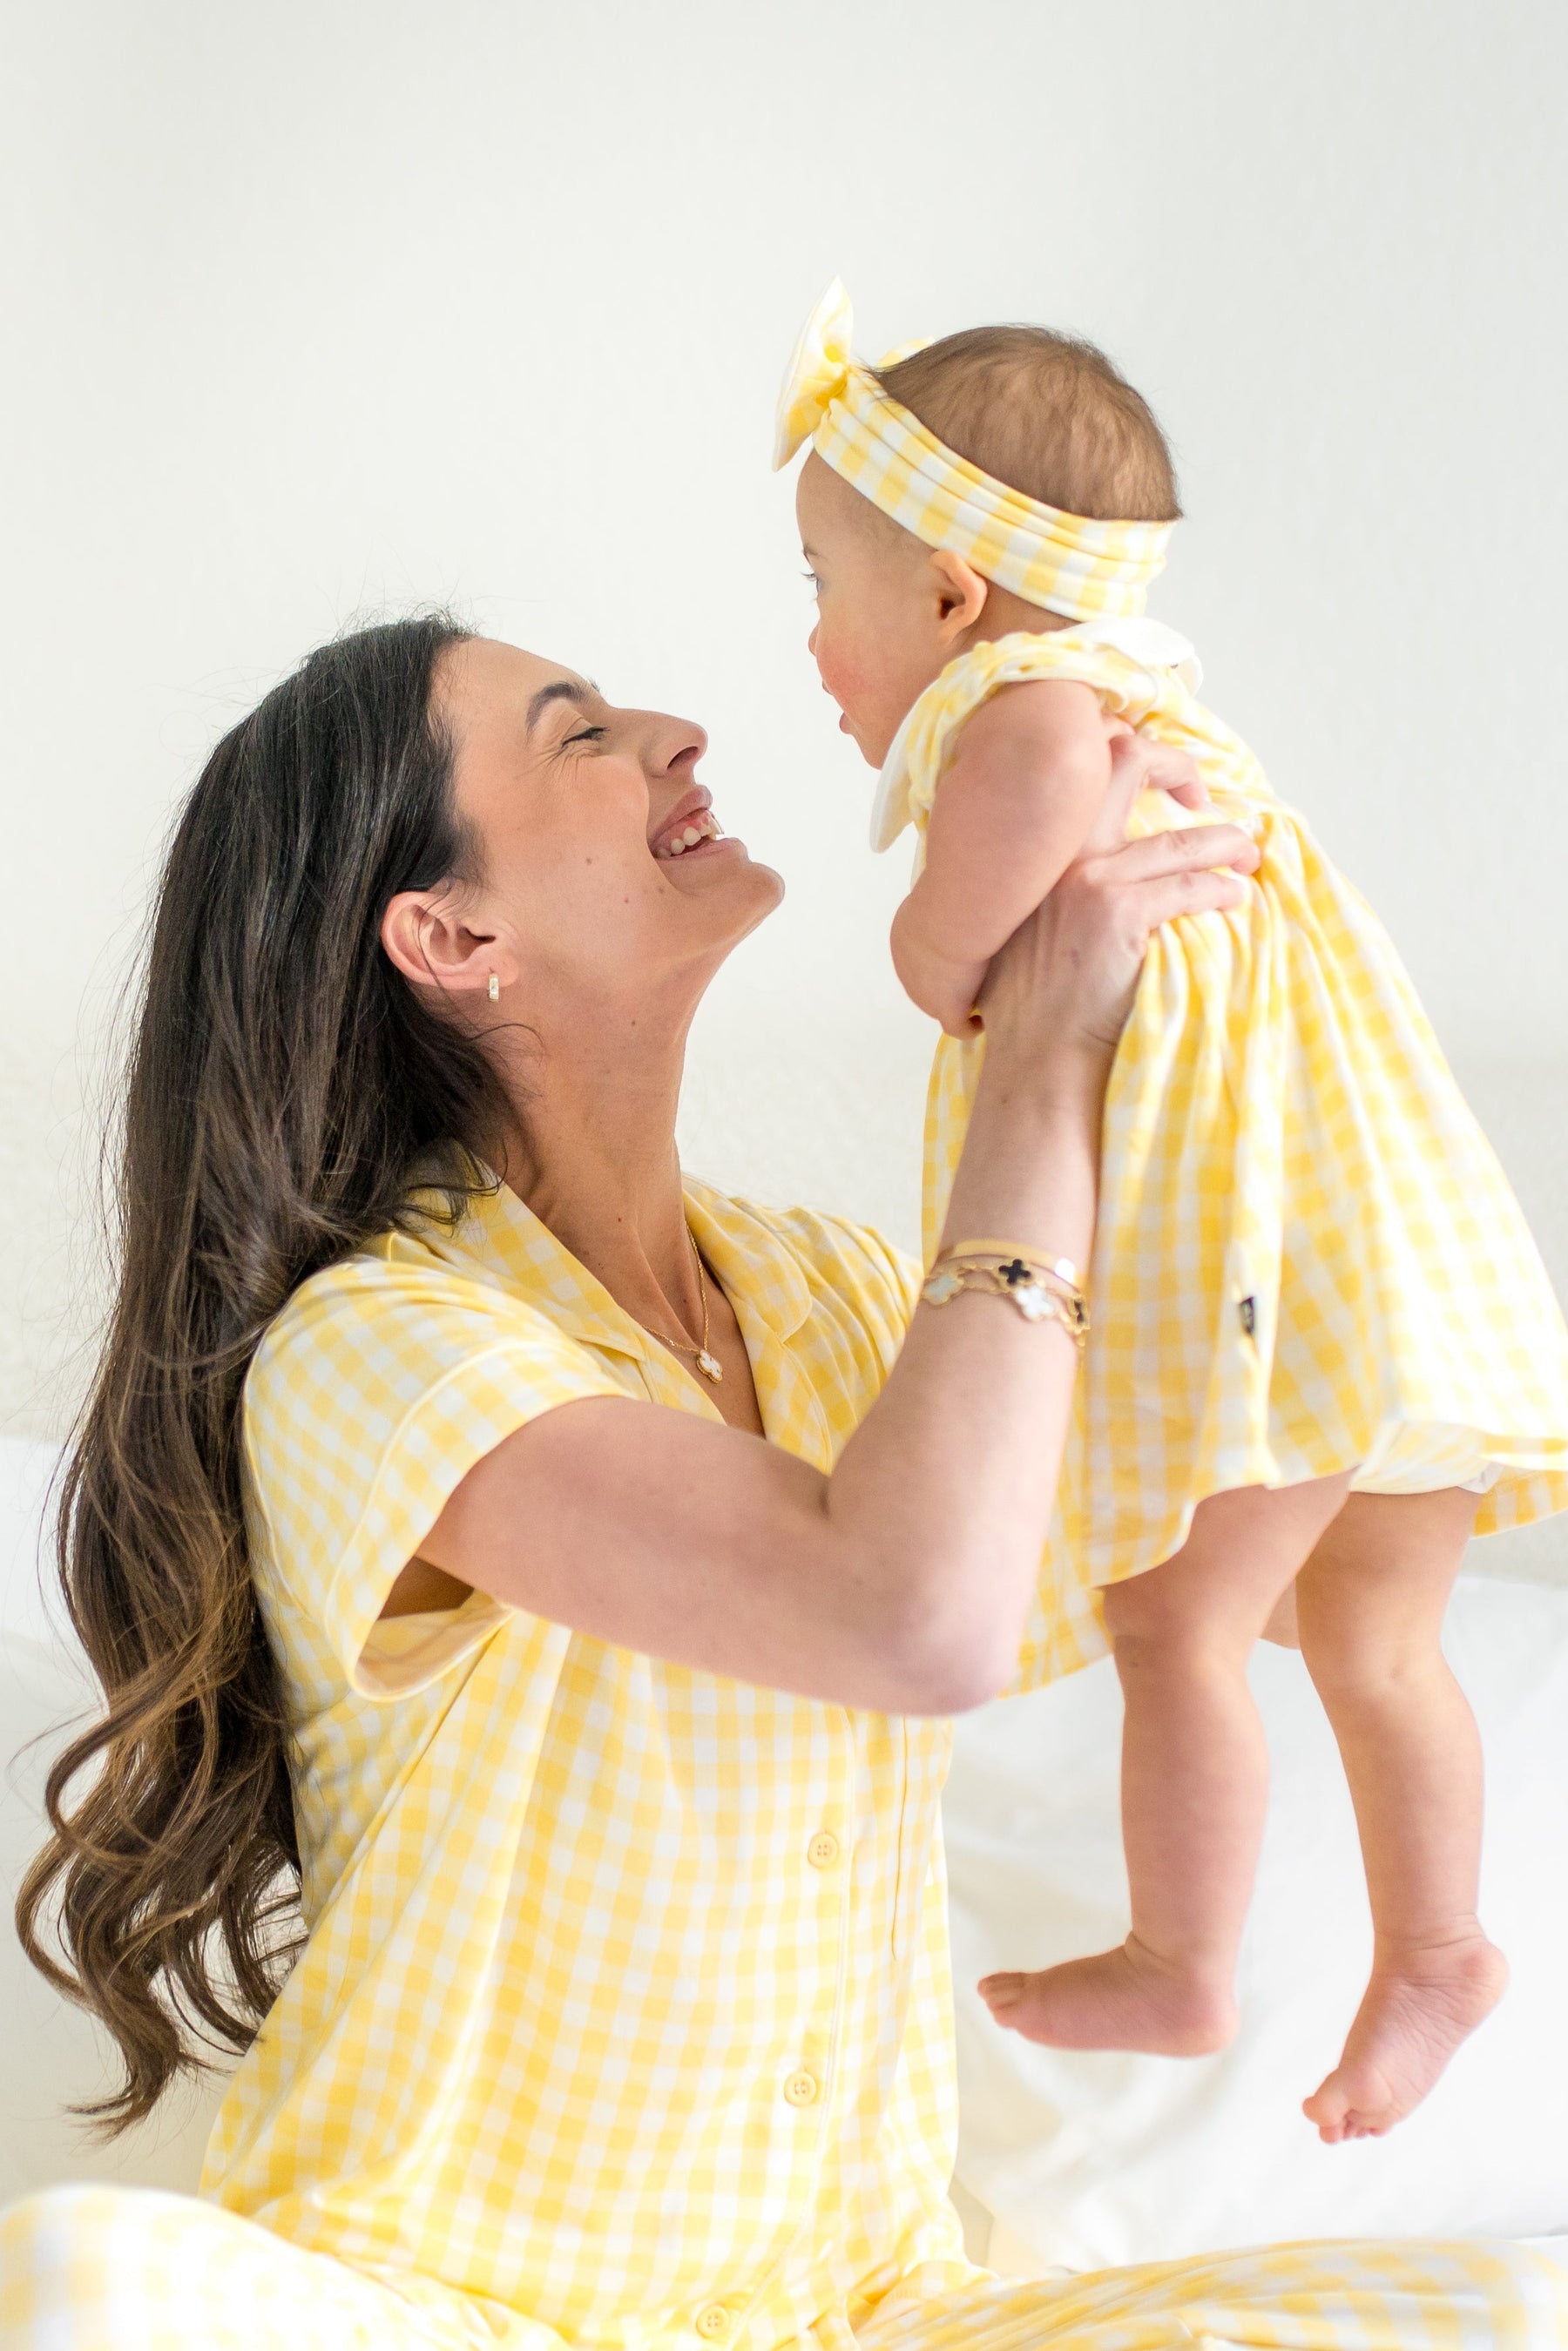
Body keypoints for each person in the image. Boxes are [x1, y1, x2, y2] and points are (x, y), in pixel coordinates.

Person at [2, 617, 1562, 2350]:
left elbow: (1217, 1546)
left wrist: (1287, 1065)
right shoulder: (372, 1351)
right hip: (454, 2309)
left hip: (871, 2314)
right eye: (578, 735)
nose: (675, 732)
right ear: (453, 937)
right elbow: (909, 1616)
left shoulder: (842, 1298)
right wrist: (1039, 1066)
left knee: (1507, 2303)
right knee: (80, 2284)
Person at [776, 280, 1568, 2144]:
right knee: (1378, 1640)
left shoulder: (1031, 727)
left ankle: (1185, 1957)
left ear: (954, 598)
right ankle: (1436, 1948)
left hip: (1270, 1283)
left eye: (822, 583)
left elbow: (942, 967)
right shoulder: (1151, 708)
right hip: (1372, 1254)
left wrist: (926, 924)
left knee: (1176, 1628)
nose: (813, 639)